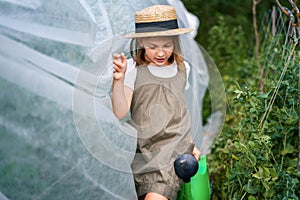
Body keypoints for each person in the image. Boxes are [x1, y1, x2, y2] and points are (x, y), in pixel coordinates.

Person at [111, 5, 201, 200]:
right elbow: (120, 112)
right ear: (142, 41)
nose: (160, 53)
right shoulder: (133, 69)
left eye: (166, 45)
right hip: (142, 152)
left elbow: (180, 111)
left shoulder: (182, 68)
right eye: (153, 46)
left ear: (174, 42)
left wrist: (191, 143)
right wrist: (118, 80)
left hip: (173, 151)